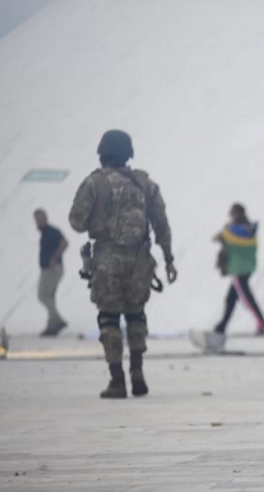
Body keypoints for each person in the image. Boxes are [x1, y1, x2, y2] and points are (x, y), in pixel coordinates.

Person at [69, 130, 177, 398]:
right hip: (140, 260)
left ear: (102, 153)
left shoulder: (94, 183)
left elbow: (76, 222)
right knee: (136, 314)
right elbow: (161, 224)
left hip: (106, 259)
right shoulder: (145, 184)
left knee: (109, 317)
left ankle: (117, 380)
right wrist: (168, 259)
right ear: (129, 153)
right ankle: (137, 371)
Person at [212, 203, 264, 338]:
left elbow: (218, 237)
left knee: (247, 299)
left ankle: (262, 325)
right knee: (231, 298)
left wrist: (225, 232)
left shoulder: (231, 231)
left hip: (239, 269)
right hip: (247, 267)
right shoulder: (250, 230)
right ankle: (222, 326)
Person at [33, 209, 69, 336]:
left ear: (45, 218)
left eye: (40, 218)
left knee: (43, 295)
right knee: (49, 297)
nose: (38, 222)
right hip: (50, 269)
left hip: (52, 269)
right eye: (37, 219)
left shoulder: (51, 231)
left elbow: (65, 243)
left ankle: (57, 321)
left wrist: (54, 259)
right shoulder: (45, 233)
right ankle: (51, 326)